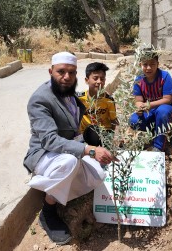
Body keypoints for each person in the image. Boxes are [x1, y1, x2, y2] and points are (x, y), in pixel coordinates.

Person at [23, 52, 117, 245]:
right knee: (69, 162)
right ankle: (48, 212)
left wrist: (94, 144)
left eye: (71, 72)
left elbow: (73, 132)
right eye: (61, 72)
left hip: (65, 151)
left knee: (98, 175)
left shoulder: (70, 94)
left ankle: (57, 187)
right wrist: (90, 150)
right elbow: (50, 140)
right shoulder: (40, 100)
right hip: (44, 154)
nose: (66, 77)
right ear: (51, 71)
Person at [129, 50, 172, 152]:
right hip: (149, 111)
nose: (148, 68)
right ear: (140, 64)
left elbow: (168, 99)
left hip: (165, 110)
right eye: (145, 64)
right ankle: (154, 131)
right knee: (133, 121)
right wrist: (139, 107)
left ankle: (158, 146)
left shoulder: (165, 76)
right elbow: (138, 100)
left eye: (152, 64)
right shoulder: (138, 79)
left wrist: (149, 105)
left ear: (158, 64)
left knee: (162, 112)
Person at [78, 62, 118, 147]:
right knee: (93, 129)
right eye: (95, 78)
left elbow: (113, 120)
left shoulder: (108, 100)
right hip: (86, 134)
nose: (99, 81)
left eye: (102, 79)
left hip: (105, 134)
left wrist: (113, 138)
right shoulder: (79, 99)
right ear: (86, 80)